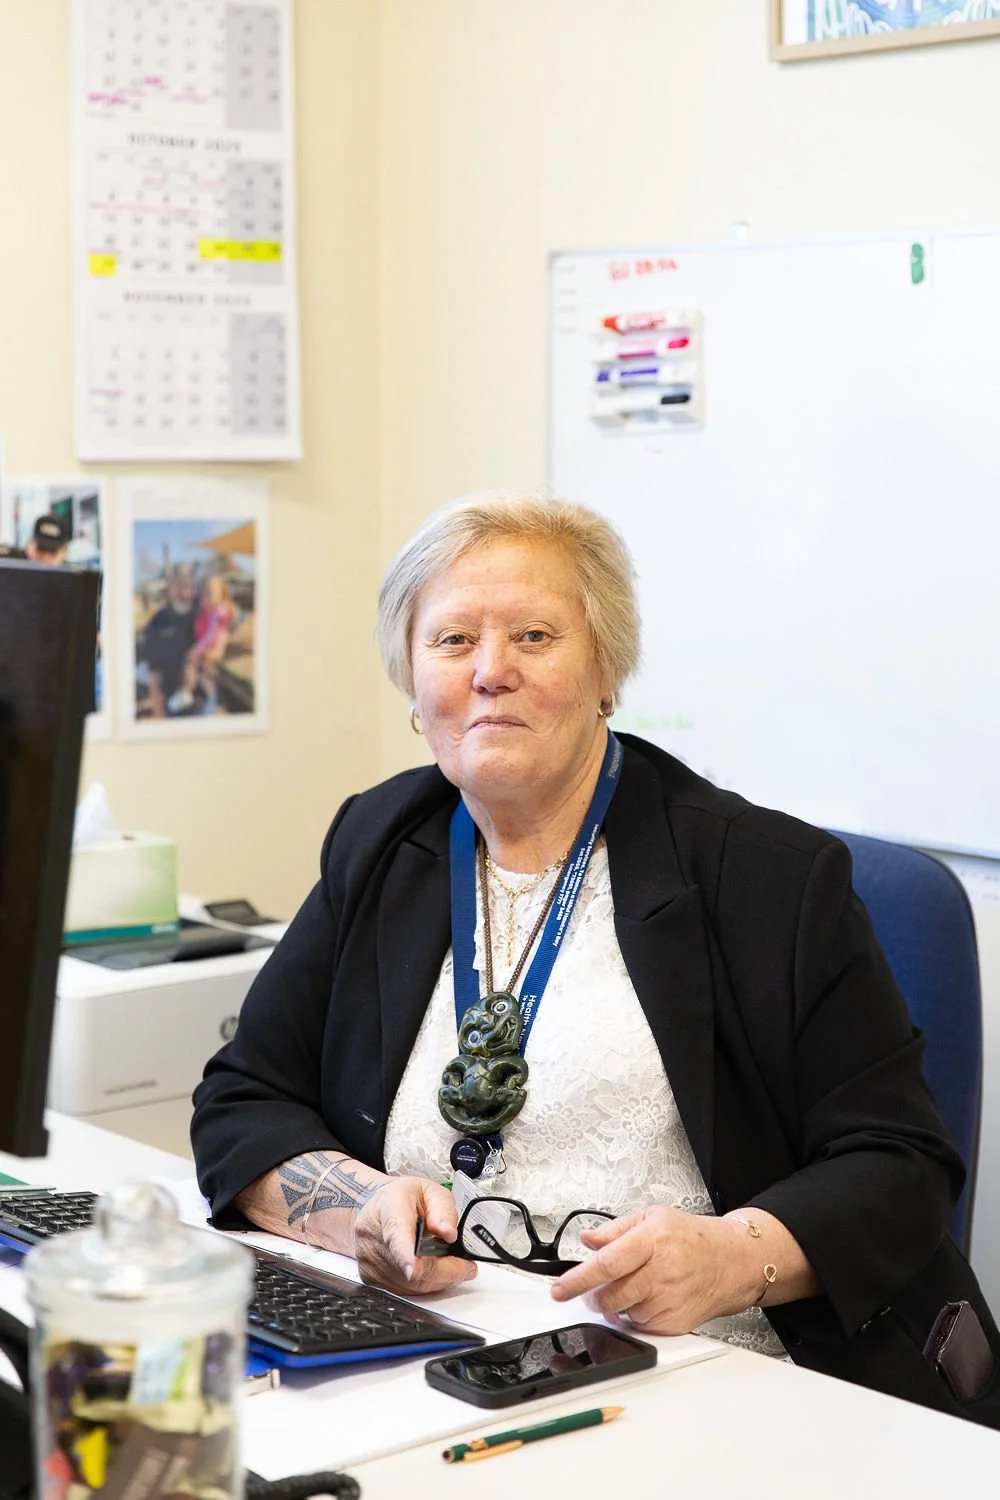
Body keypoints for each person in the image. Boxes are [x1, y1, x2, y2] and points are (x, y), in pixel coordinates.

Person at [191, 493, 1000, 1424]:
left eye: (534, 636)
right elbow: (243, 1100)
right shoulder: (382, 839)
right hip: (447, 1362)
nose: (491, 672)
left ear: (607, 669)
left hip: (709, 1370)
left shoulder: (764, 874)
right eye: (452, 642)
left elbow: (901, 1162)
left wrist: (733, 1256)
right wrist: (361, 1210)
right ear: (412, 685)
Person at [169, 575, 235, 715]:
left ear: (220, 595)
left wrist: (197, 650)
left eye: (211, 593)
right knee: (191, 667)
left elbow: (213, 636)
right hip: (204, 657)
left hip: (208, 654)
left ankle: (186, 692)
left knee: (191, 665)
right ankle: (186, 692)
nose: (206, 596)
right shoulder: (204, 611)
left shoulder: (219, 612)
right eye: (204, 592)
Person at [138, 562, 197, 718]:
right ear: (171, 587)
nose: (185, 584)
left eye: (189, 578)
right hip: (172, 703)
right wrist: (158, 708)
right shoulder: (159, 621)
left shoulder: (203, 613)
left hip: (203, 703)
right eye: (179, 580)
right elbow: (153, 669)